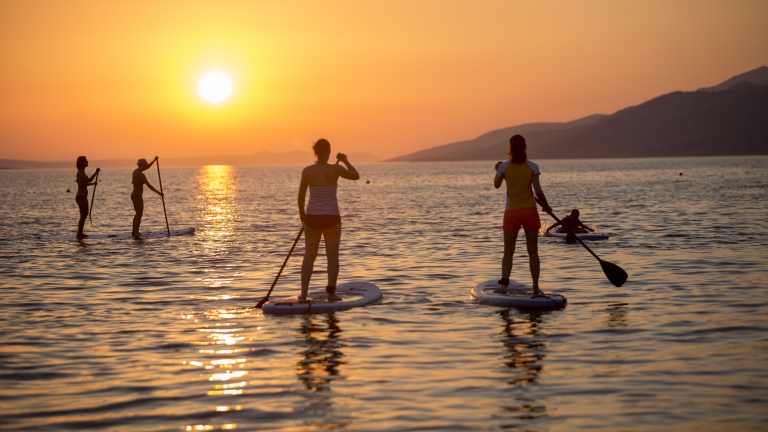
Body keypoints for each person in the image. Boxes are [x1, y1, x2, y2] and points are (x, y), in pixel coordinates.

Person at [298, 139, 359, 302]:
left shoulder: (307, 171)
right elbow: (356, 175)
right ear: (329, 152)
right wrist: (345, 160)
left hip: (312, 217)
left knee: (309, 256)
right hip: (331, 217)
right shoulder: (336, 169)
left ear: (315, 152)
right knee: (332, 256)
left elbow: (301, 196)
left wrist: (302, 215)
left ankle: (303, 295)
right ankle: (331, 293)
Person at [494, 134, 552, 297]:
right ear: (525, 147)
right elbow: (538, 191)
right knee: (533, 252)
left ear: (510, 148)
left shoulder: (503, 167)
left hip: (512, 213)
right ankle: (535, 287)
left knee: (508, 252)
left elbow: (497, 185)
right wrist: (546, 206)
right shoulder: (533, 166)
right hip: (530, 212)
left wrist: (497, 171)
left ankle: (504, 287)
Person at [131, 157, 163, 237]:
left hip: (133, 195)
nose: (146, 167)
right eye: (145, 165)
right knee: (139, 214)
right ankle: (136, 233)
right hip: (138, 197)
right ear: (142, 166)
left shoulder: (135, 171)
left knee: (137, 214)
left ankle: (134, 231)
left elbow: (147, 167)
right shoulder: (141, 175)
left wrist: (154, 161)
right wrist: (159, 193)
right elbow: (149, 186)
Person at [75, 156, 100, 239]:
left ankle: (80, 233)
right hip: (81, 197)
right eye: (86, 160)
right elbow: (81, 184)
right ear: (82, 163)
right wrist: (92, 184)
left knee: (84, 215)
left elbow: (88, 180)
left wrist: (96, 173)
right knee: (83, 215)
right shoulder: (81, 172)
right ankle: (79, 233)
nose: (87, 161)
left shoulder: (82, 172)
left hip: (82, 197)